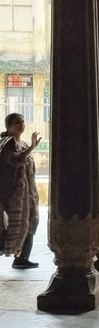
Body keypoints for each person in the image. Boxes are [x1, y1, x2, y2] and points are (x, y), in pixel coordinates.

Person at [0, 113, 41, 269]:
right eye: (17, 122)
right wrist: (32, 147)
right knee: (10, 226)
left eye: (23, 122)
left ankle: (22, 257)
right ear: (9, 125)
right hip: (12, 194)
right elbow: (15, 160)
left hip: (27, 193)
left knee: (31, 221)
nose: (21, 125)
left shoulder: (21, 143)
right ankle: (19, 257)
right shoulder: (7, 143)